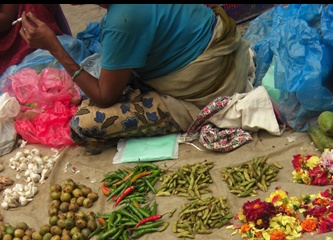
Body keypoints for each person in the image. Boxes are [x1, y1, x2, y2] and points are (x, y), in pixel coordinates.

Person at [19, 4, 254, 154]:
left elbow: (104, 97)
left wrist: (55, 48)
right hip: (226, 54)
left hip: (210, 87)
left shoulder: (124, 18)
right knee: (99, 68)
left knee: (85, 126)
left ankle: (184, 113)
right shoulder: (122, 18)